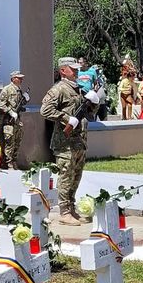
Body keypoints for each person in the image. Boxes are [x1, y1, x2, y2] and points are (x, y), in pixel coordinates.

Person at [41, 57, 99, 226]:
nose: (77, 71)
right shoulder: (59, 89)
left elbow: (88, 114)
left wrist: (94, 103)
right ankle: (64, 211)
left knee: (76, 176)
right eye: (72, 69)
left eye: (77, 68)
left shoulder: (78, 89)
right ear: (63, 71)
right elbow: (45, 110)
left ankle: (71, 208)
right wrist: (66, 118)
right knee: (66, 176)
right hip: (65, 142)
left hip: (79, 141)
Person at [0, 70, 29, 169]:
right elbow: (0, 103)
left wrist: (26, 99)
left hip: (17, 121)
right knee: (9, 142)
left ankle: (14, 161)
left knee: (17, 141)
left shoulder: (18, 90)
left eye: (21, 78)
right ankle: (8, 163)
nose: (21, 79)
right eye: (19, 78)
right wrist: (10, 111)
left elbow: (19, 104)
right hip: (9, 121)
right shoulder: (7, 89)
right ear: (13, 78)